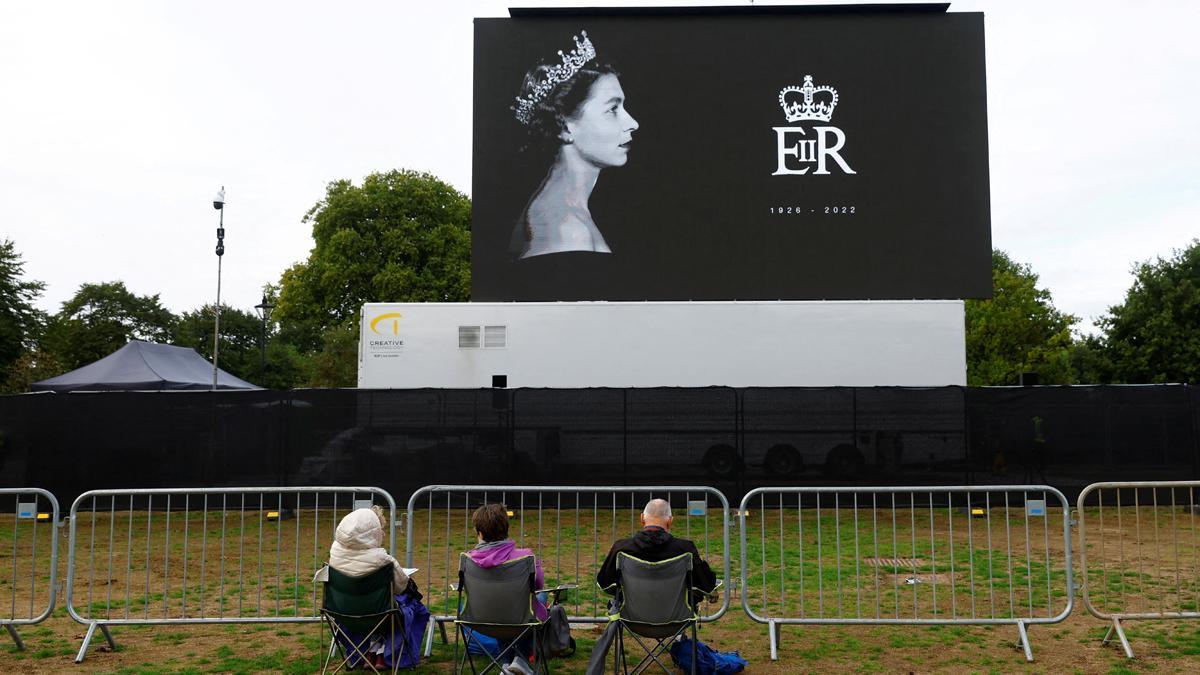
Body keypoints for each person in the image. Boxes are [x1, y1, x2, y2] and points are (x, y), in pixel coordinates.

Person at [509, 29, 640, 260]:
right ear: (565, 126)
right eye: (612, 109)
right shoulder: (567, 231)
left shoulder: (565, 211)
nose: (633, 123)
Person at [328, 506, 427, 669]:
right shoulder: (383, 560)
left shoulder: (335, 553)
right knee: (407, 605)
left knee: (382, 606)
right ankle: (387, 655)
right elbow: (401, 586)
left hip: (343, 612)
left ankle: (370, 652)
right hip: (379, 614)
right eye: (380, 529)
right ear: (372, 533)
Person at [466, 503, 548, 675]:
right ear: (506, 528)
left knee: (500, 606)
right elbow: (539, 585)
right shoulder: (526, 557)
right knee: (540, 598)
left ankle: (506, 663)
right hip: (520, 619)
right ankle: (521, 659)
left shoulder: (468, 560)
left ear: (479, 533)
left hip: (481, 619)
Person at [596, 498, 718, 602]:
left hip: (632, 615)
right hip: (675, 616)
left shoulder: (622, 548)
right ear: (670, 521)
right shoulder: (685, 549)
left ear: (642, 518)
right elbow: (705, 584)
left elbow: (604, 582)